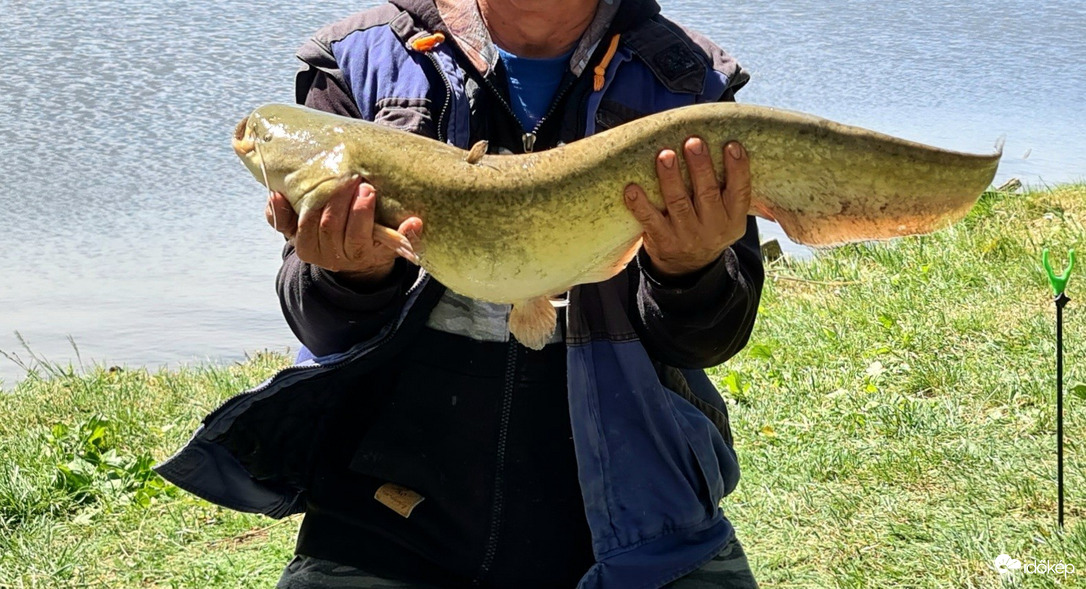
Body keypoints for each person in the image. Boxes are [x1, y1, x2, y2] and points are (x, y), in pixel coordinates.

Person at [155, 0, 764, 587]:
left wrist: (689, 268)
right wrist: (353, 276)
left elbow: (710, 340)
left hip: (644, 522)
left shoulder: (688, 78)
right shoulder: (356, 60)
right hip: (384, 523)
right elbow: (321, 327)